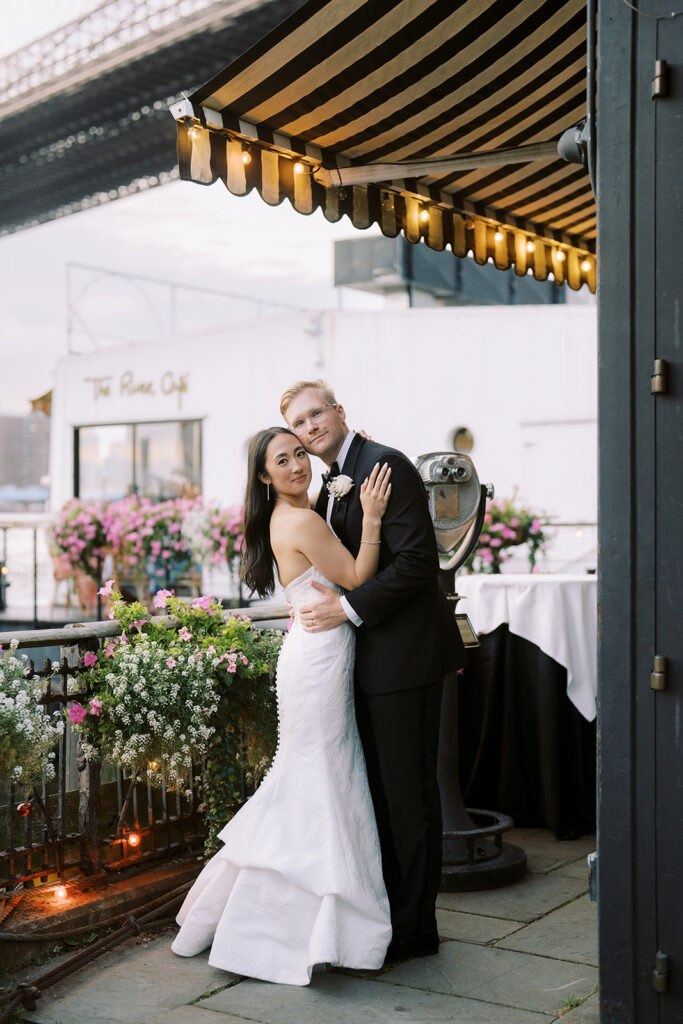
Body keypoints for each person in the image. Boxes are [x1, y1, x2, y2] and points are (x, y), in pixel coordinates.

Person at [172, 426, 393, 985]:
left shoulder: (295, 512)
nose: (298, 464)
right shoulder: (299, 520)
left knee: (313, 771)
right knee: (316, 773)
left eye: (300, 453)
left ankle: (285, 912)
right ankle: (290, 923)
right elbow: (357, 576)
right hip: (318, 658)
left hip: (313, 651)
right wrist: (370, 518)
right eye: (282, 460)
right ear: (264, 476)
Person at [280, 380, 467, 965]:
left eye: (317, 414)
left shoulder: (385, 466)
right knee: (381, 795)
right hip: (364, 662)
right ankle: (391, 919)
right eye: (299, 423)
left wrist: (347, 609)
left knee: (408, 797)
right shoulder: (332, 485)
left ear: (340, 412)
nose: (310, 428)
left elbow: (418, 563)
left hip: (405, 660)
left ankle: (416, 932)